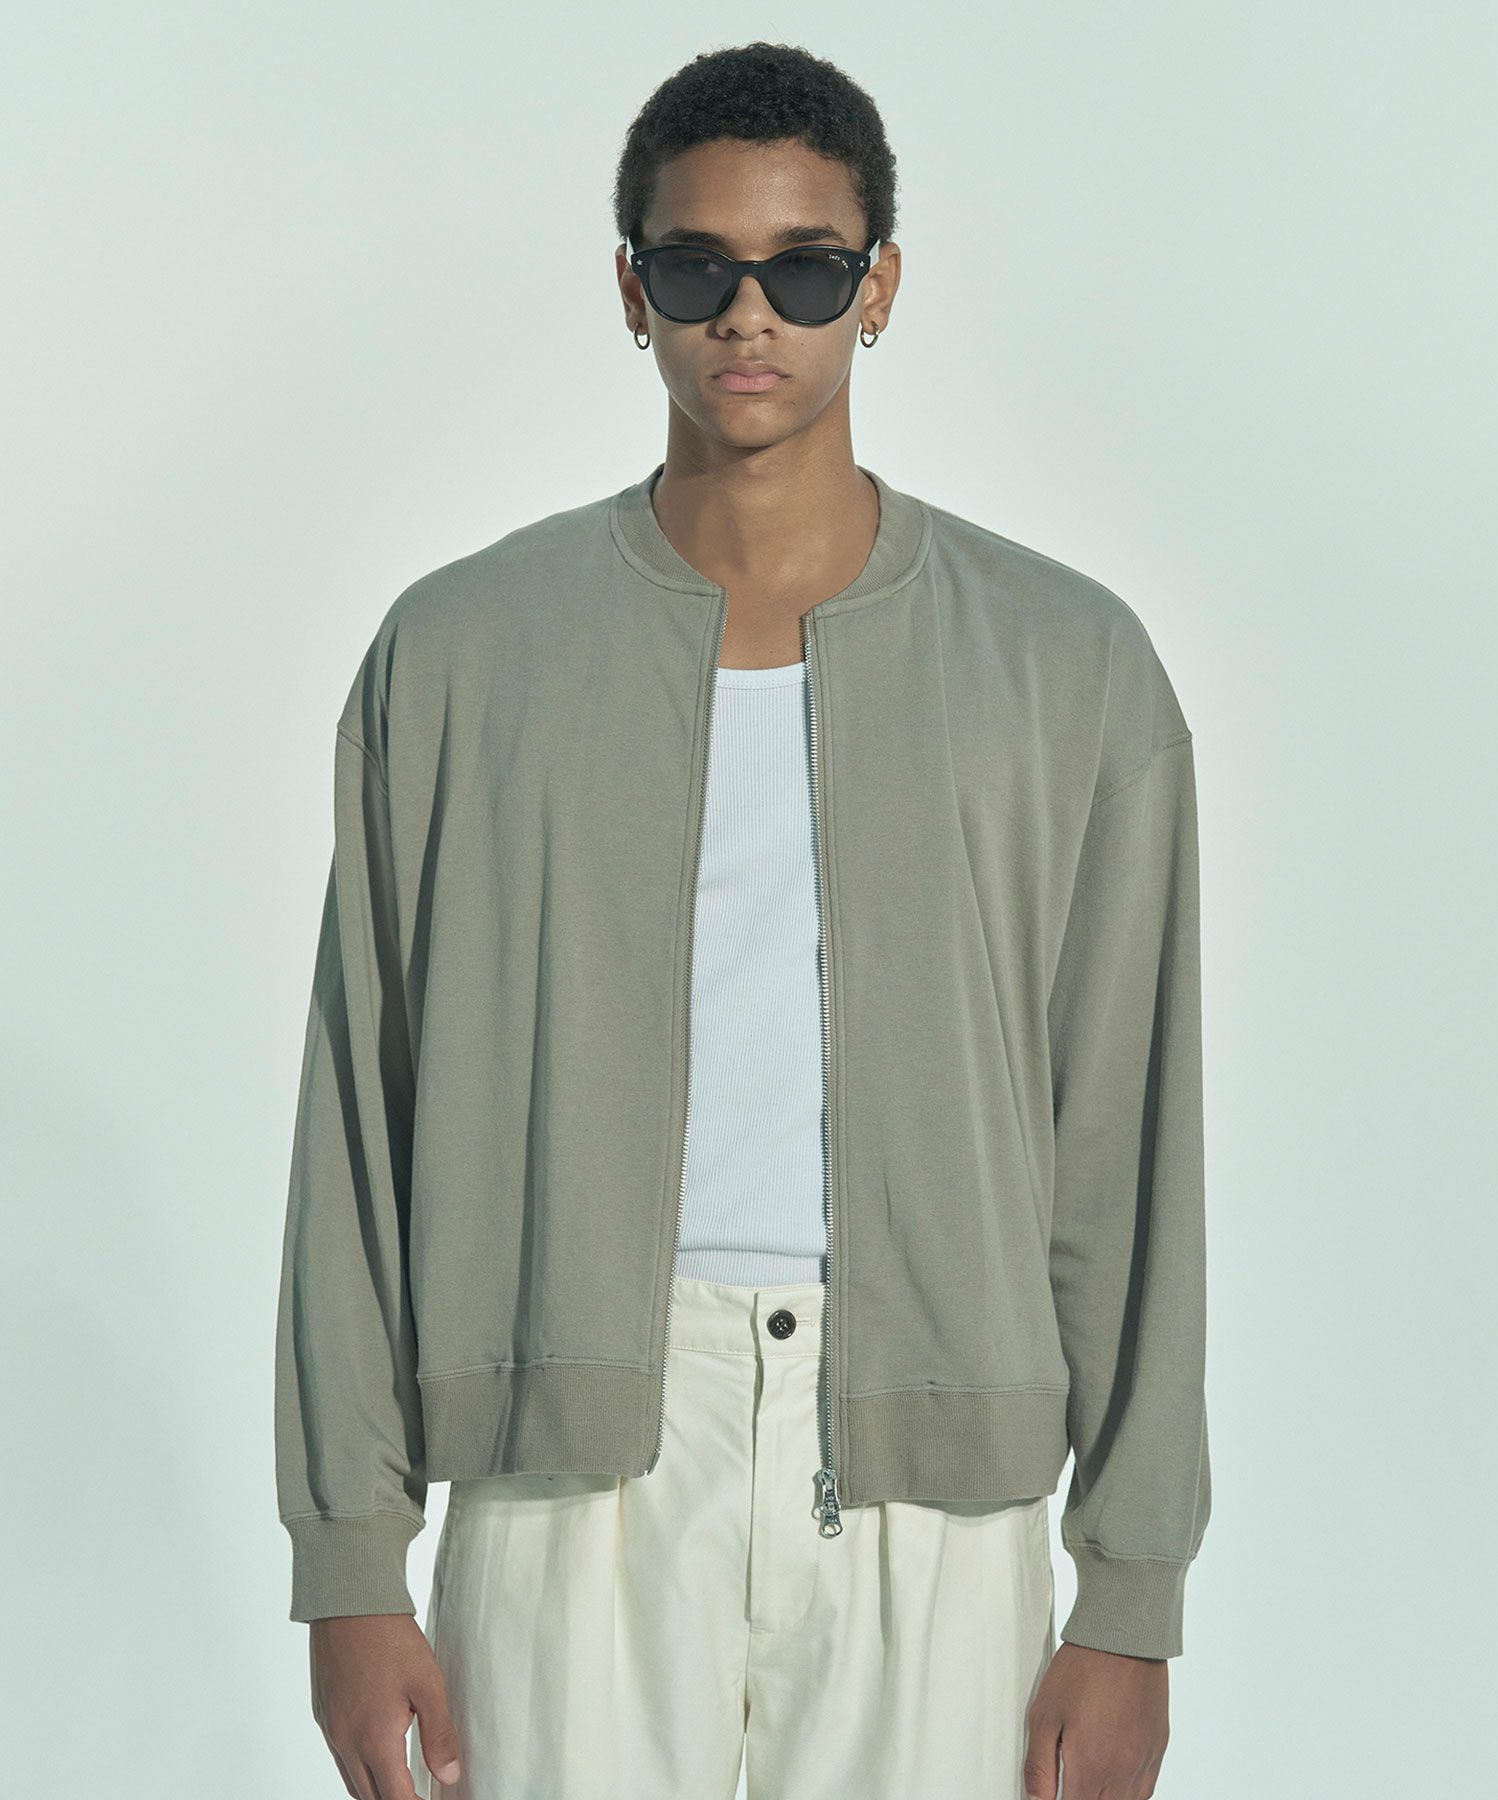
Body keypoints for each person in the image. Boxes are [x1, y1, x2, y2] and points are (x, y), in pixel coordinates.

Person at [274, 39, 1211, 1800]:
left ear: (883, 286)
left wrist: (1133, 1592)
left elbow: (1126, 1149)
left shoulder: (1065, 666)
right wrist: (349, 1559)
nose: (751, 313)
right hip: (567, 1466)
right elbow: (358, 1131)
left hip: (940, 1473)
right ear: (633, 290)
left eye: (807, 267)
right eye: (698, 266)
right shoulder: (464, 654)